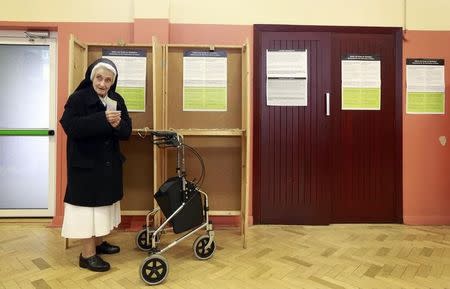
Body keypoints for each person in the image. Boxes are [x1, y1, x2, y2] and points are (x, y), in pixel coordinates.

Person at [60, 58, 132, 272]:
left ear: (113, 82)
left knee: (102, 208)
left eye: (108, 80)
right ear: (92, 77)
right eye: (99, 78)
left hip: (108, 165)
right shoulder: (78, 98)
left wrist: (119, 124)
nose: (103, 84)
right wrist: (102, 119)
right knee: (87, 212)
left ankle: (99, 244)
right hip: (86, 165)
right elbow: (70, 126)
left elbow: (127, 131)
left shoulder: (117, 99)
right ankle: (87, 255)